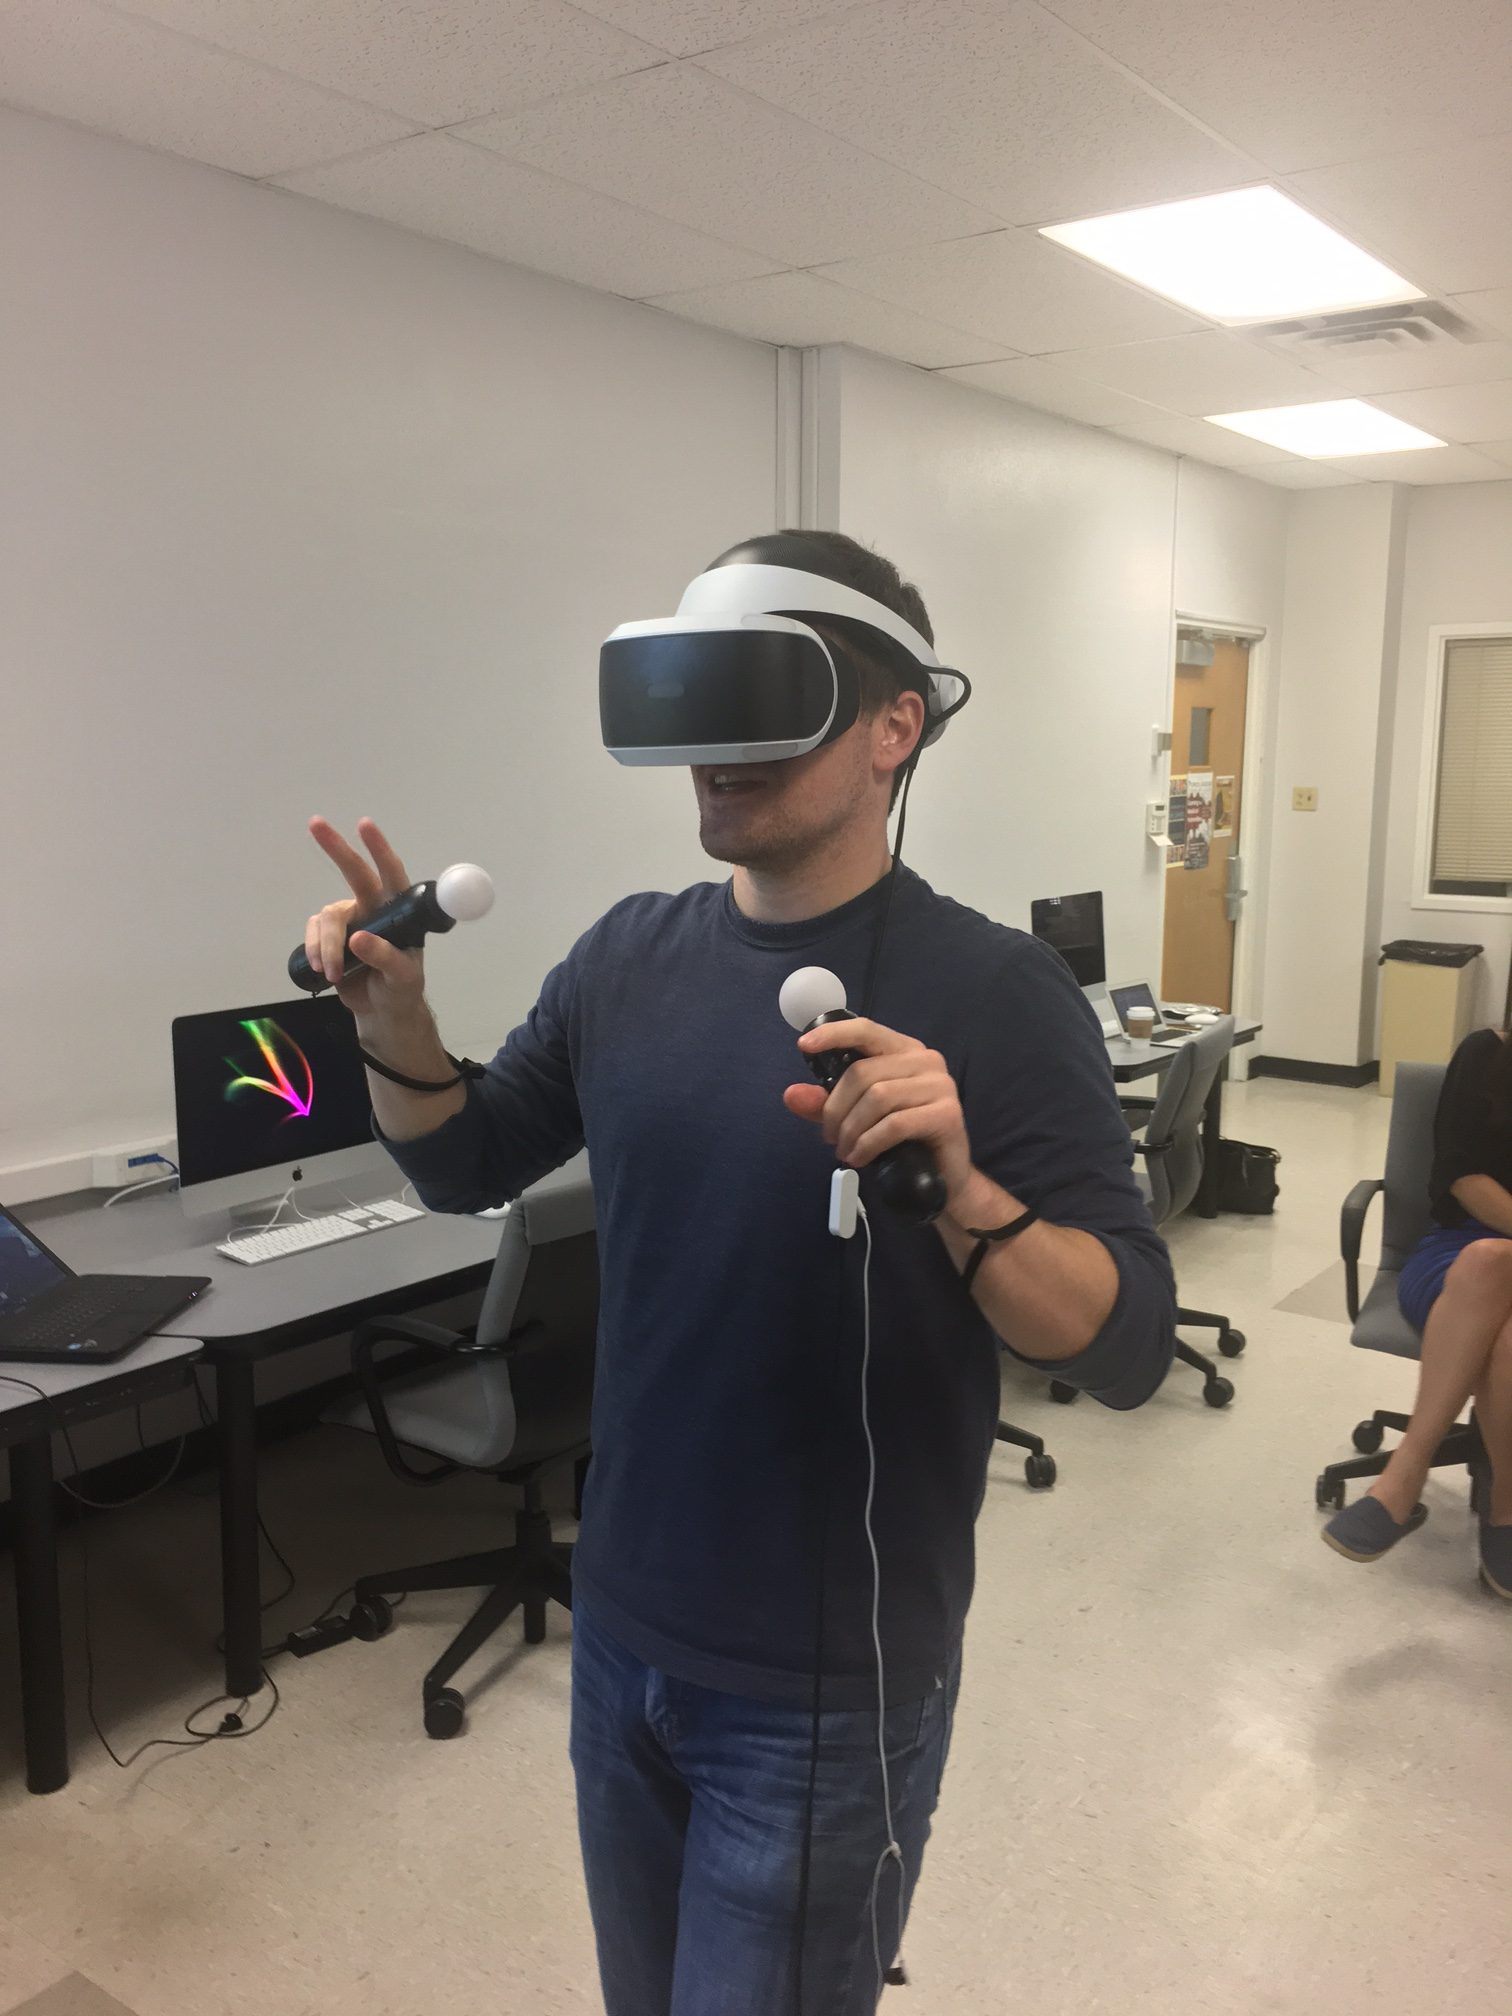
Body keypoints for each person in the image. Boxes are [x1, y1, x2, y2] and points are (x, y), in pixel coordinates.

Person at [300, 531, 1176, 2015]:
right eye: (693, 707)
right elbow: (463, 1163)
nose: (717, 754)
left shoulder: (999, 994)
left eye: (762, 701)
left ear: (897, 725)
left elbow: (1127, 1347)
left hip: (828, 1684)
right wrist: (393, 1026)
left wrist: (961, 1193)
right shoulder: (624, 957)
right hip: (620, 1628)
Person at [1323, 1023, 1512, 1599]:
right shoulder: (1487, 1053)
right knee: (1490, 1262)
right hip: (1459, 1258)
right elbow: (1459, 1176)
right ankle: (1428, 1477)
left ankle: (1410, 1490)